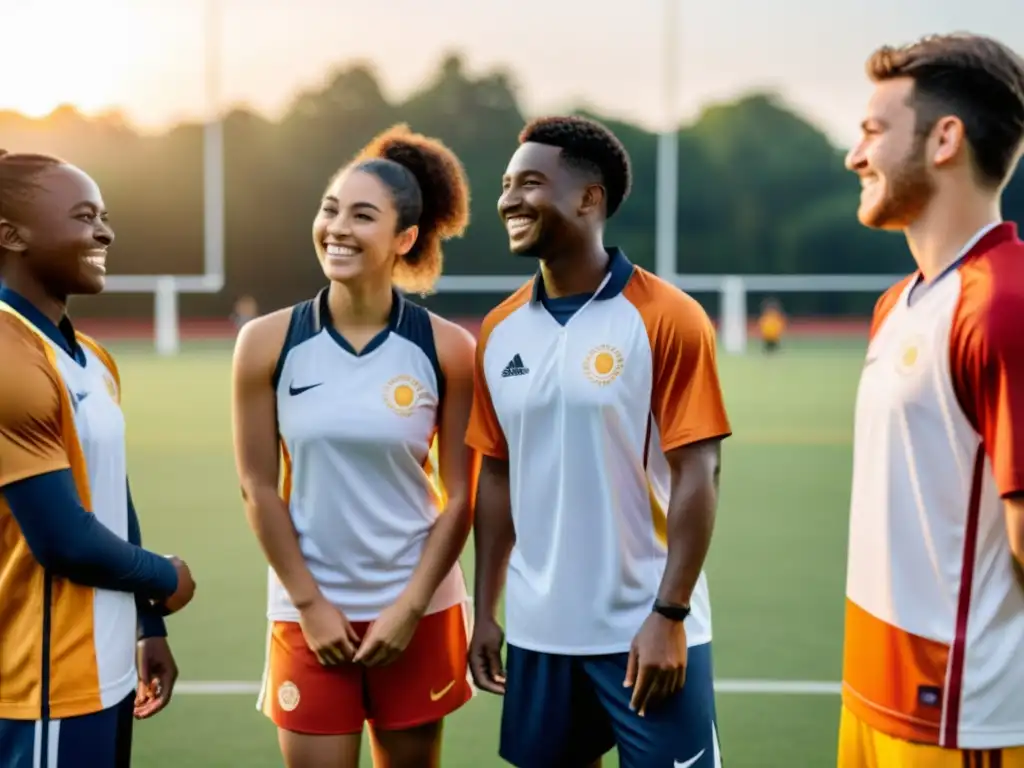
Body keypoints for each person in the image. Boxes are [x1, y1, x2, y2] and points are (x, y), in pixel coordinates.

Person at [466, 115, 732, 768]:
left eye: (530, 182)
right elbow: (496, 475)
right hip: (540, 634)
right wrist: (485, 610)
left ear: (590, 199)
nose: (508, 200)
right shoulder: (499, 331)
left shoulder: (667, 317)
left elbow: (699, 473)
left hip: (648, 632)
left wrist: (669, 614)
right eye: (505, 184)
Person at [232, 124, 477, 768]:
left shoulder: (448, 348)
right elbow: (257, 486)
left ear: (405, 239)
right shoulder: (265, 342)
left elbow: (460, 498)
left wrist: (410, 607)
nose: (336, 227)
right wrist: (310, 604)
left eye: (362, 216)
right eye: (330, 209)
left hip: (417, 610)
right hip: (308, 614)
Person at [840, 33, 1024, 767]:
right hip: (871, 690)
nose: (856, 156)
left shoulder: (1004, 301)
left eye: (875, 131)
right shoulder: (899, 305)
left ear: (945, 139)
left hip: (959, 716)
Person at [0, 151, 197, 767]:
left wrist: (148, 624)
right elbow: (64, 539)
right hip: (44, 681)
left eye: (105, 217)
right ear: (12, 236)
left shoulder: (90, 357)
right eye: (85, 217)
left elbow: (110, 497)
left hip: (105, 669)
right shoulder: (9, 354)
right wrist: (167, 579)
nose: (105, 232)